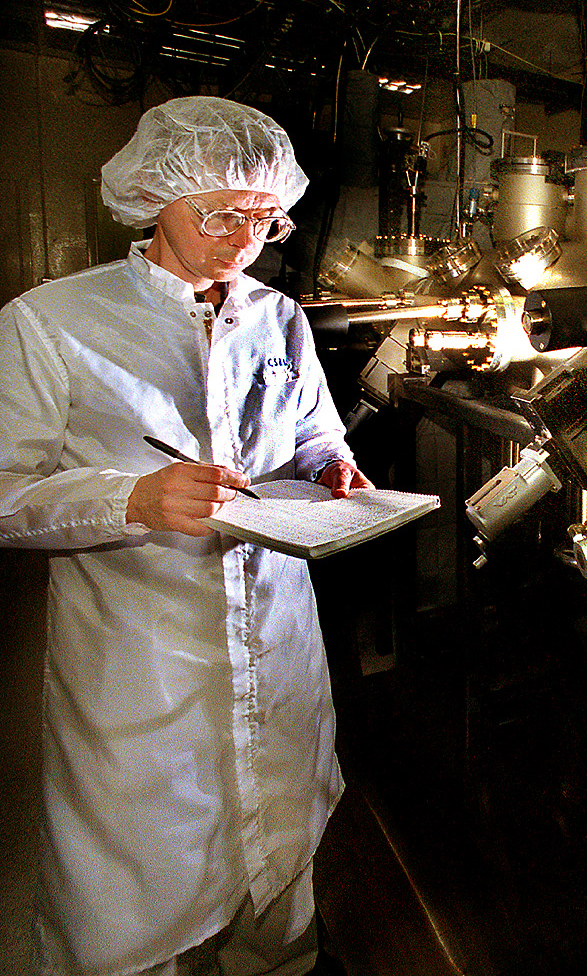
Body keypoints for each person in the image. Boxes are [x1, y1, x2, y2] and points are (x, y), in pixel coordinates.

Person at [0, 96, 372, 976]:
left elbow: (316, 432)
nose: (243, 236)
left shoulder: (279, 318)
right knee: (132, 909)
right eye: (219, 213)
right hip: (141, 675)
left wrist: (333, 467)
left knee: (277, 884)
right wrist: (130, 498)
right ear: (154, 197)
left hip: (279, 648)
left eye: (262, 216)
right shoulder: (53, 322)